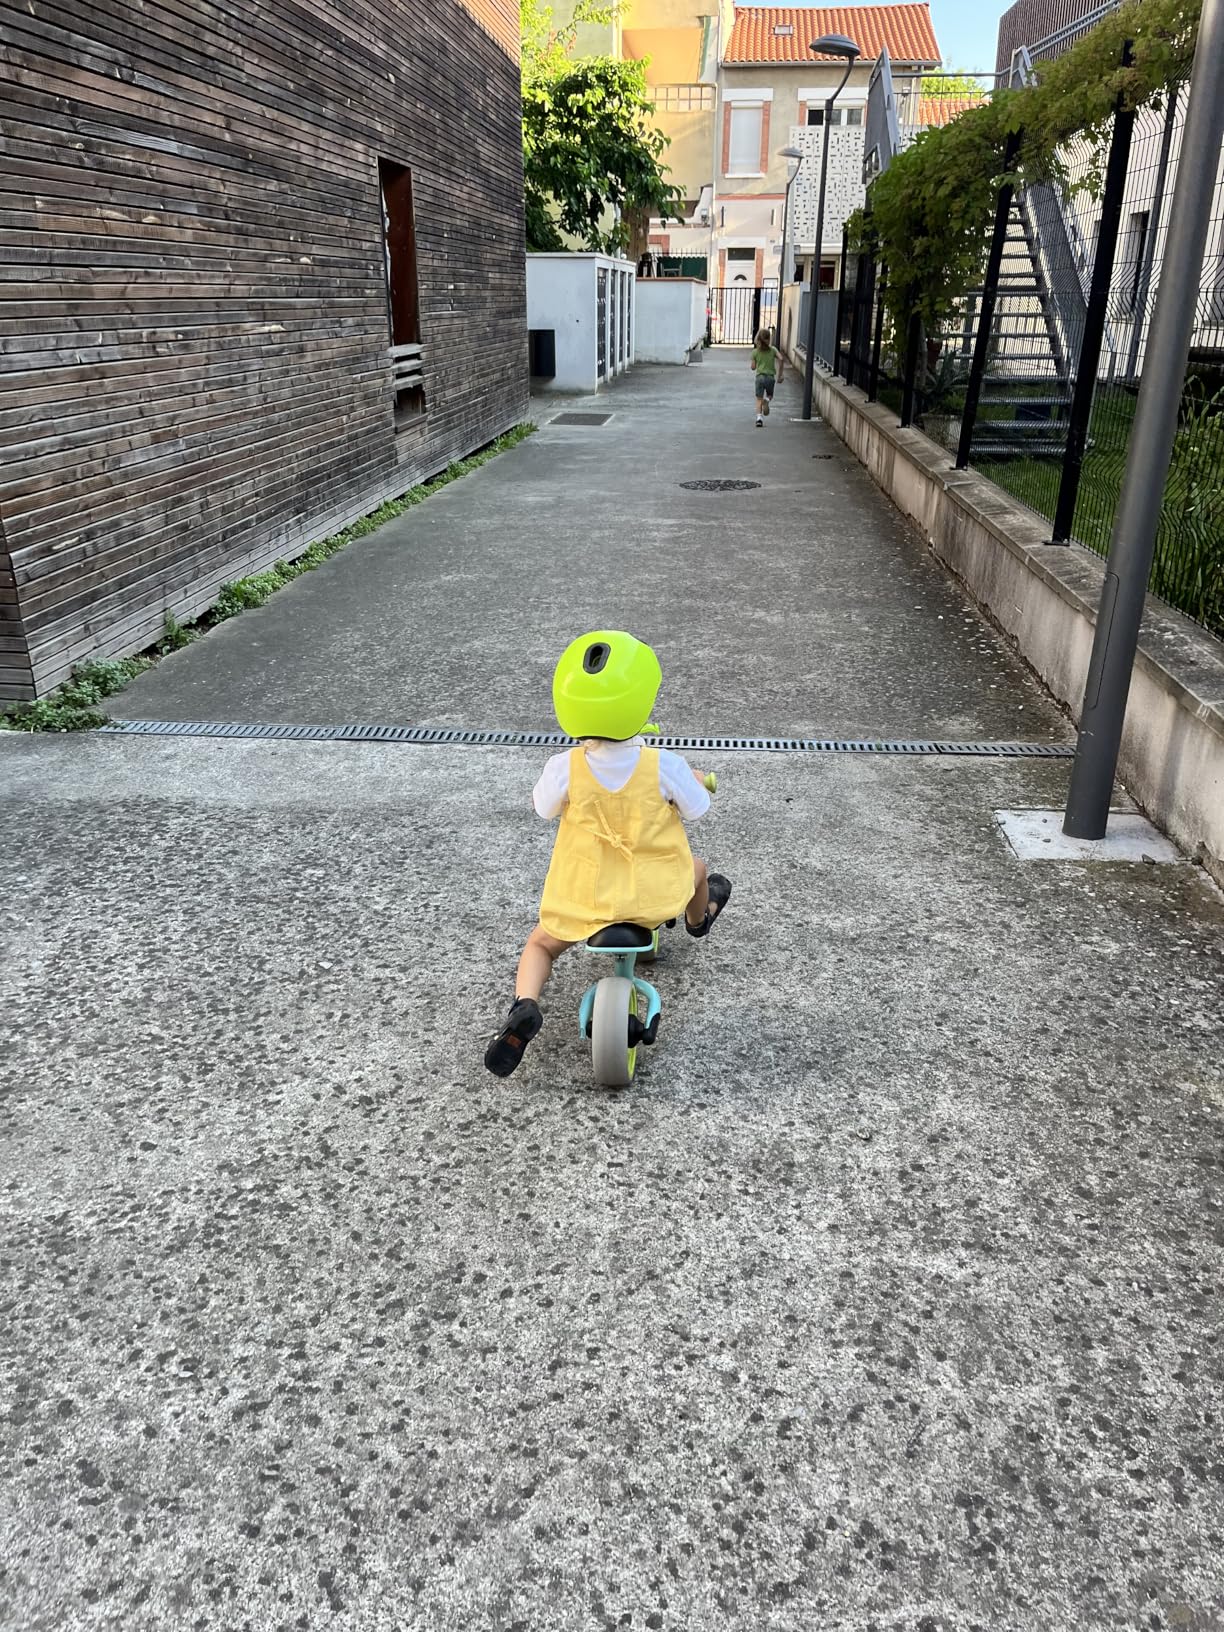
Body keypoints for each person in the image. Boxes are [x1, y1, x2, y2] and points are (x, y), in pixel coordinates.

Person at [484, 631, 732, 1078]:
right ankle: (698, 920)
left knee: (541, 943)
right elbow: (699, 808)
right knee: (697, 869)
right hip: (652, 894)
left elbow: (542, 808)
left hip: (586, 897)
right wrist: (690, 779)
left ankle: (524, 1007)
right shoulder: (665, 764)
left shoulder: (564, 767)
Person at [751, 327, 783, 427]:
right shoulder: (773, 350)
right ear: (769, 339)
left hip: (760, 377)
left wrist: (755, 364)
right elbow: (781, 359)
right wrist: (780, 374)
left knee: (759, 399)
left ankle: (759, 419)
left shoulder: (755, 352)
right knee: (770, 395)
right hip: (770, 378)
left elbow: (753, 367)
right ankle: (767, 400)